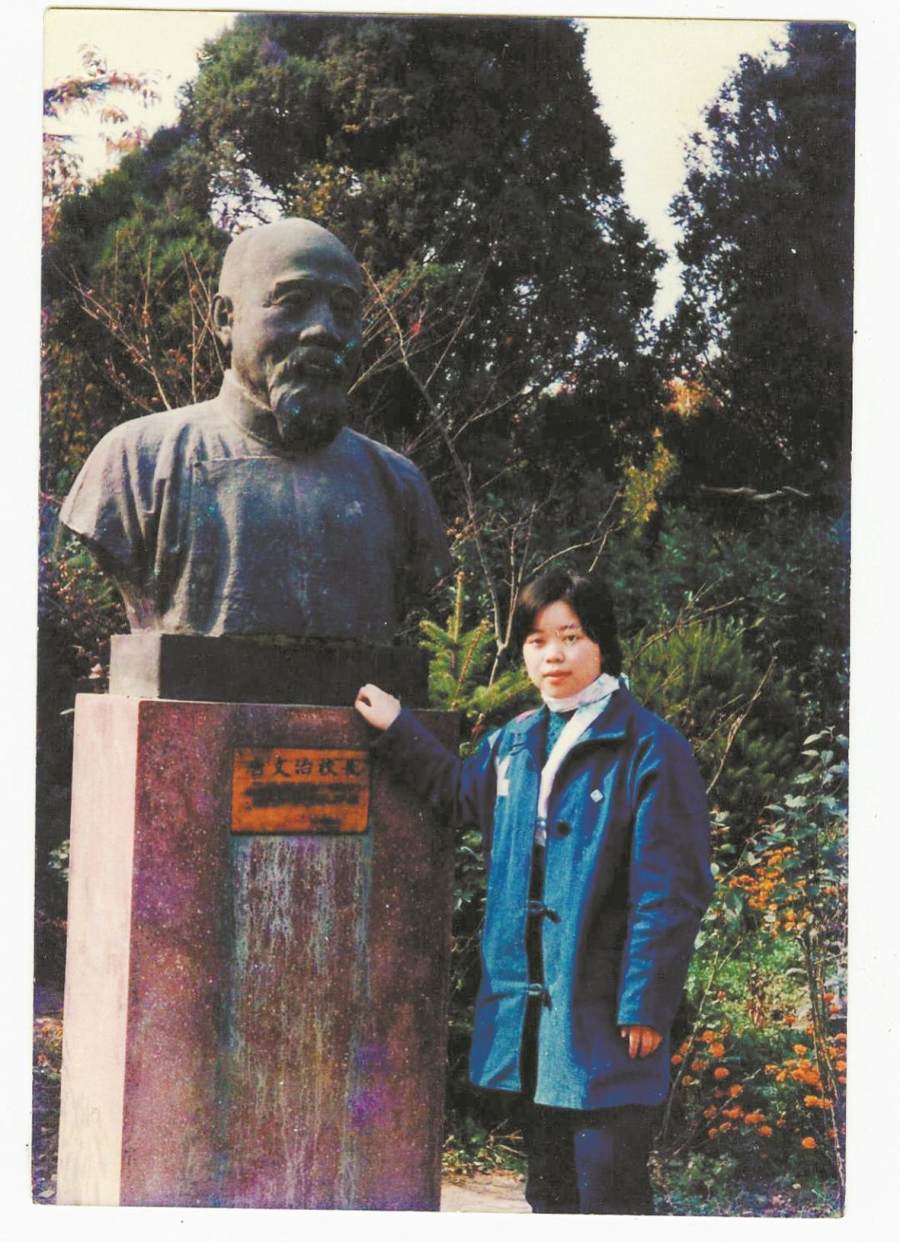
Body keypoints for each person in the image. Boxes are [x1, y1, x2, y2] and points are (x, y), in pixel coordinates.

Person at [355, 568, 714, 1214]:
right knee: (548, 1192)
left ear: (602, 642)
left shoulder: (652, 748)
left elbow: (671, 892)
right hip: (537, 1025)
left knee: (608, 1189)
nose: (553, 655)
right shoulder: (516, 741)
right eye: (537, 640)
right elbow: (459, 793)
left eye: (571, 637)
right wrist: (397, 727)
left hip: (606, 1009)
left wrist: (645, 1002)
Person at [59, 218, 451, 640]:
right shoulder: (136, 463)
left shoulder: (399, 487)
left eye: (344, 310)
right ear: (225, 319)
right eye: (293, 301)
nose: (325, 329)